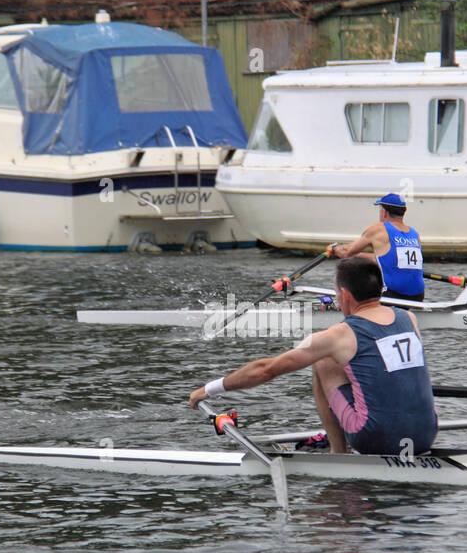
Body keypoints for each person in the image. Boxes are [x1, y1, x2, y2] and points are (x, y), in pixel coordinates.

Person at [188, 256, 438, 456]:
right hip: (427, 434)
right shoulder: (410, 319)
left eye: (337, 294)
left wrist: (208, 390)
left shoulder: (337, 336)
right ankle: (388, 432)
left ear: (346, 296)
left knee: (324, 359)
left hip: (375, 439)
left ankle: (338, 451)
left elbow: (266, 369)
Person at [328, 192, 424, 302]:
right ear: (403, 213)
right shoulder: (414, 234)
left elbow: (346, 253)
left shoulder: (378, 229)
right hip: (418, 297)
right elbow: (386, 258)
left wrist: (334, 248)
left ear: (384, 212)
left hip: (392, 296)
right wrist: (359, 255)